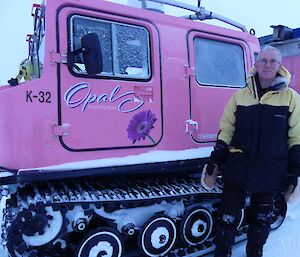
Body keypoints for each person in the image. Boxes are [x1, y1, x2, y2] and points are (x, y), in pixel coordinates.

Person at [201, 45, 300, 257]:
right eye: (263, 60)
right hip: (238, 169)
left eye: (272, 61)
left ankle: (255, 253)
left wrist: (294, 170)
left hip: (271, 170)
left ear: (279, 66)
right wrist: (216, 159)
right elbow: (226, 129)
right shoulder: (239, 97)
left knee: (261, 220)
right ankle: (222, 252)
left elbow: (296, 137)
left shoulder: (291, 98)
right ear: (255, 63)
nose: (267, 65)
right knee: (227, 218)